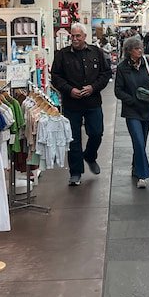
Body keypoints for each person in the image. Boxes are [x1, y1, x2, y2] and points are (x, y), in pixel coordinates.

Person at [50, 23, 112, 186]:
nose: (75, 39)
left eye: (78, 36)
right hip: (72, 104)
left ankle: (90, 156)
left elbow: (106, 74)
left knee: (97, 133)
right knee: (73, 139)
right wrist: (69, 90)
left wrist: (93, 87)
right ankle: (75, 172)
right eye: (73, 36)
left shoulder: (96, 52)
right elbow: (55, 77)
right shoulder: (62, 55)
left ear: (85, 37)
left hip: (92, 101)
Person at [114, 36, 149, 189]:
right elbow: (118, 90)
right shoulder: (122, 68)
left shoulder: (147, 62)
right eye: (136, 48)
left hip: (147, 109)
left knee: (142, 142)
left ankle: (135, 166)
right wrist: (132, 100)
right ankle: (142, 175)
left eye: (140, 47)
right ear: (129, 51)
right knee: (138, 142)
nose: (140, 50)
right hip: (132, 111)